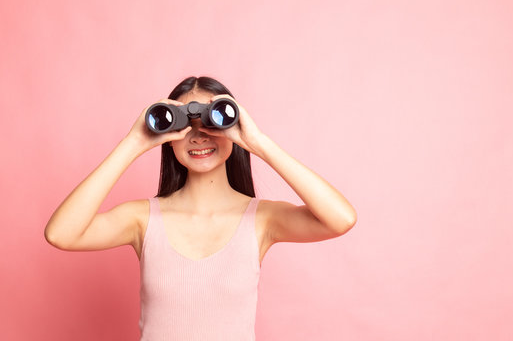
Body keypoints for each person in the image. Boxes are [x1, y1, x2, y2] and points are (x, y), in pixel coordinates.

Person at [44, 76, 357, 340]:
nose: (198, 136)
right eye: (186, 126)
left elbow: (340, 219)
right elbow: (61, 234)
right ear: (168, 137)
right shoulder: (143, 219)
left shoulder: (261, 219)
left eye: (212, 120)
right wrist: (135, 142)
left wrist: (257, 142)